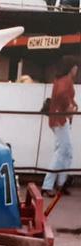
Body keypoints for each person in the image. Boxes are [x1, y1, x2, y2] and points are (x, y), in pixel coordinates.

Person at [42, 58, 78, 197]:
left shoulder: (61, 79)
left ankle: (59, 183)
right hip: (60, 119)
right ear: (71, 68)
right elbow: (62, 95)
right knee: (63, 151)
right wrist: (69, 106)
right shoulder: (66, 81)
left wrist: (71, 104)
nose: (77, 70)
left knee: (64, 151)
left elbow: (61, 95)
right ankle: (50, 184)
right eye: (76, 67)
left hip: (58, 119)